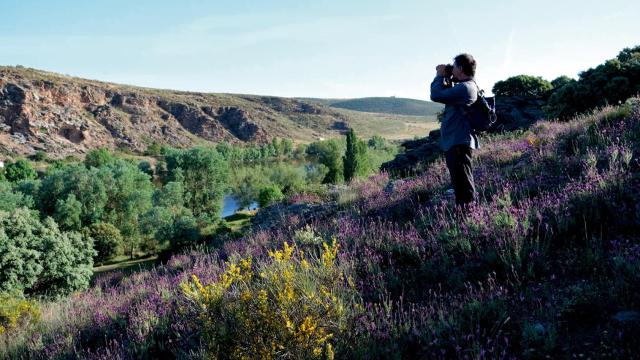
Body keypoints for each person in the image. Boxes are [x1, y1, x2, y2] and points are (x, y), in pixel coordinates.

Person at [430, 53, 479, 207]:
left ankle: (470, 216)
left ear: (461, 68)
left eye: (455, 66)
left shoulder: (465, 88)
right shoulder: (466, 86)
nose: (452, 69)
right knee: (460, 182)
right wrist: (447, 77)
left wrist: (439, 76)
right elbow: (446, 93)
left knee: (463, 182)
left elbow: (436, 95)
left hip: (458, 141)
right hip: (457, 140)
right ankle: (466, 214)